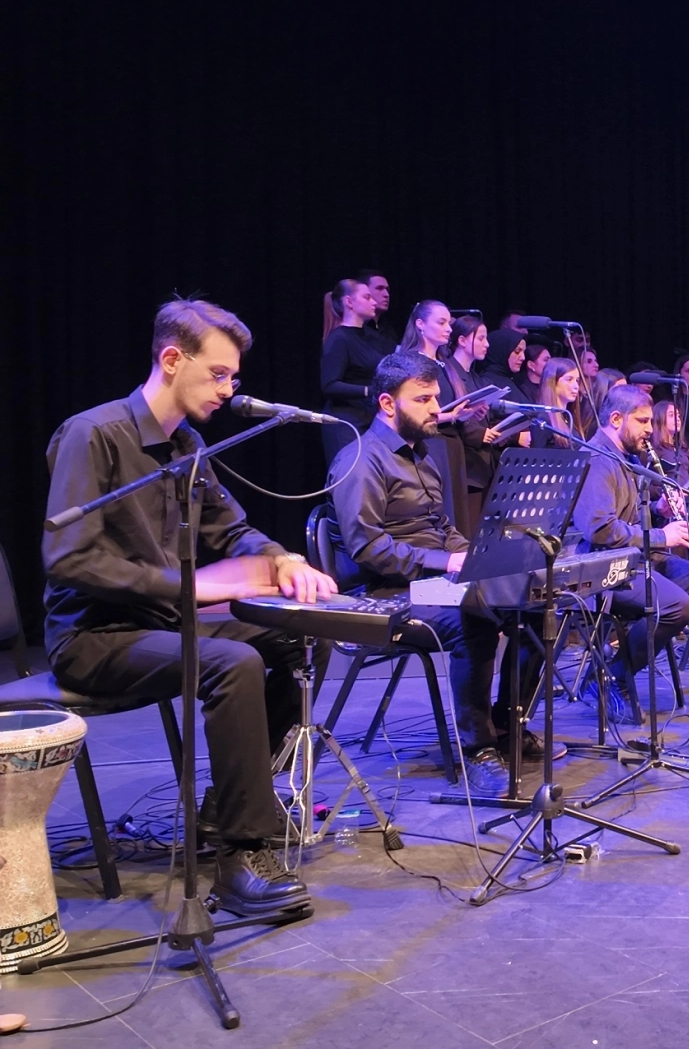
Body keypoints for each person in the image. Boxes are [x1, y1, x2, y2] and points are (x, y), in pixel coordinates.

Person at [43, 298, 338, 916]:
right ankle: (241, 859)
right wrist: (186, 587)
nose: (229, 390)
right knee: (234, 663)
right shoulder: (93, 434)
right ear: (173, 359)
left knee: (302, 636)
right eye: (219, 374)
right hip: (94, 637)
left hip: (162, 624)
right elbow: (68, 558)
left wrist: (282, 558)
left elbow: (231, 530)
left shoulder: (187, 444)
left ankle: (225, 809)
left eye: (234, 377)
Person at [330, 352, 557, 796]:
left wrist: (475, 555)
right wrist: (445, 562)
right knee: (473, 621)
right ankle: (478, 750)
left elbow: (441, 529)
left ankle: (507, 724)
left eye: (436, 397)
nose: (437, 408)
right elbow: (367, 548)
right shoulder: (361, 459)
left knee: (535, 604)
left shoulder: (421, 456)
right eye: (423, 399)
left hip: (433, 580)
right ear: (387, 403)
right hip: (385, 590)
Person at [573, 385, 689, 693]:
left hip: (637, 559)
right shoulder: (598, 459)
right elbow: (600, 529)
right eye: (642, 421)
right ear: (616, 419)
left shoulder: (625, 457)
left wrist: (659, 509)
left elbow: (628, 517)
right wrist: (662, 536)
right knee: (676, 607)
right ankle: (609, 676)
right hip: (605, 569)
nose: (649, 429)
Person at [319, 278, 390, 465]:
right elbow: (329, 385)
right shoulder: (339, 338)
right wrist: (369, 391)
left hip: (369, 420)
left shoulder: (371, 337)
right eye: (367, 297)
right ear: (349, 302)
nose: (373, 302)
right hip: (346, 424)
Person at [441, 316, 500, 525]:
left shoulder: (476, 377)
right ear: (462, 340)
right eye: (481, 338)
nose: (487, 344)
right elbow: (450, 417)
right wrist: (479, 433)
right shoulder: (448, 372)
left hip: (481, 465)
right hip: (464, 464)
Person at [534, 356, 582, 448]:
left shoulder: (568, 417)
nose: (576, 386)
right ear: (553, 382)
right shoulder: (543, 420)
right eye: (569, 379)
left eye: (577, 380)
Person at [356, 268, 393, 340]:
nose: (386, 294)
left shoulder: (389, 330)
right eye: (379, 288)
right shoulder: (356, 330)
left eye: (387, 290)